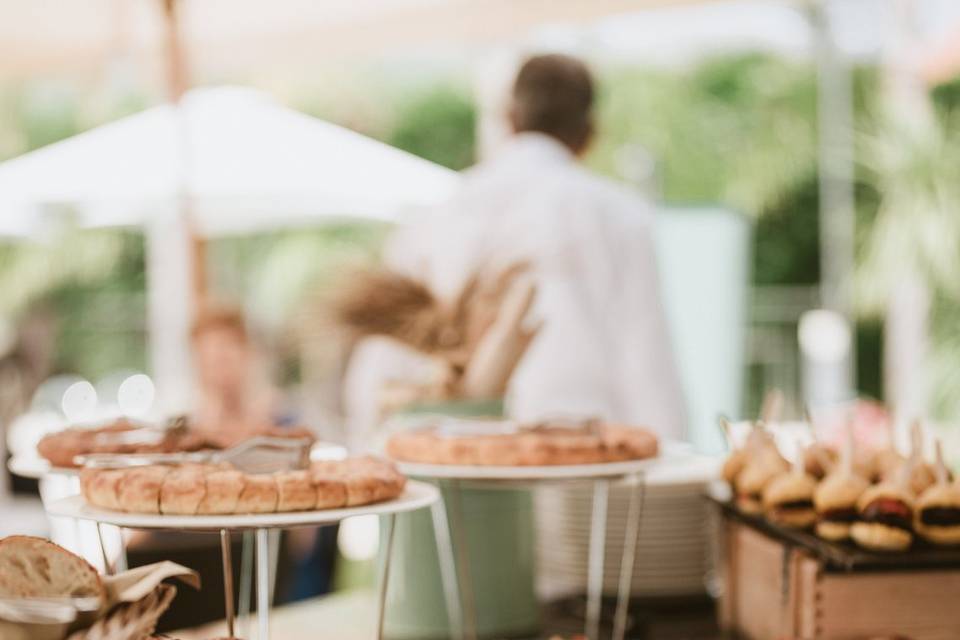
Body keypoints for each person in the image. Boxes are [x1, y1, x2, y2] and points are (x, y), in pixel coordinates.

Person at [345, 53, 686, 442]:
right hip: (585, 460)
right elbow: (646, 363)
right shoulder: (620, 216)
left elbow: (381, 359)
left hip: (454, 458)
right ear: (589, 132)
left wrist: (368, 450)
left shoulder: (435, 214)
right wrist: (670, 461)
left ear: (509, 118)